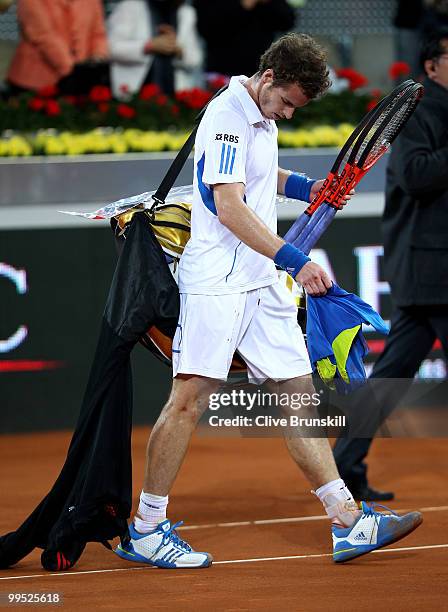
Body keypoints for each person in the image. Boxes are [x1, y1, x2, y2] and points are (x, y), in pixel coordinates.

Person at [114, 33, 422, 569]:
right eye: (286, 102)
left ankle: (347, 521)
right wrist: (294, 261)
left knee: (298, 394)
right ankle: (146, 527)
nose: (287, 113)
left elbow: (259, 177)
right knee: (188, 401)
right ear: (269, 76)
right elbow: (229, 207)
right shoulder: (228, 116)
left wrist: (308, 188)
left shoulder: (262, 116)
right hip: (218, 284)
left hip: (259, 284)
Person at [333, 28, 448, 501]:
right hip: (431, 269)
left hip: (431, 273)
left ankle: (341, 469)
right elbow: (417, 175)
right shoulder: (421, 108)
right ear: (432, 66)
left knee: (387, 379)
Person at [108, 0, 202, 97]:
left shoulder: (186, 12)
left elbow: (195, 60)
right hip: (134, 94)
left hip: (175, 96)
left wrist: (178, 50)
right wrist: (149, 46)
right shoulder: (130, 6)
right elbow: (110, 49)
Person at [193, 0, 295, 79]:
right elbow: (207, 27)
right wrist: (244, 5)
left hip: (260, 72)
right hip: (222, 72)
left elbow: (288, 20)